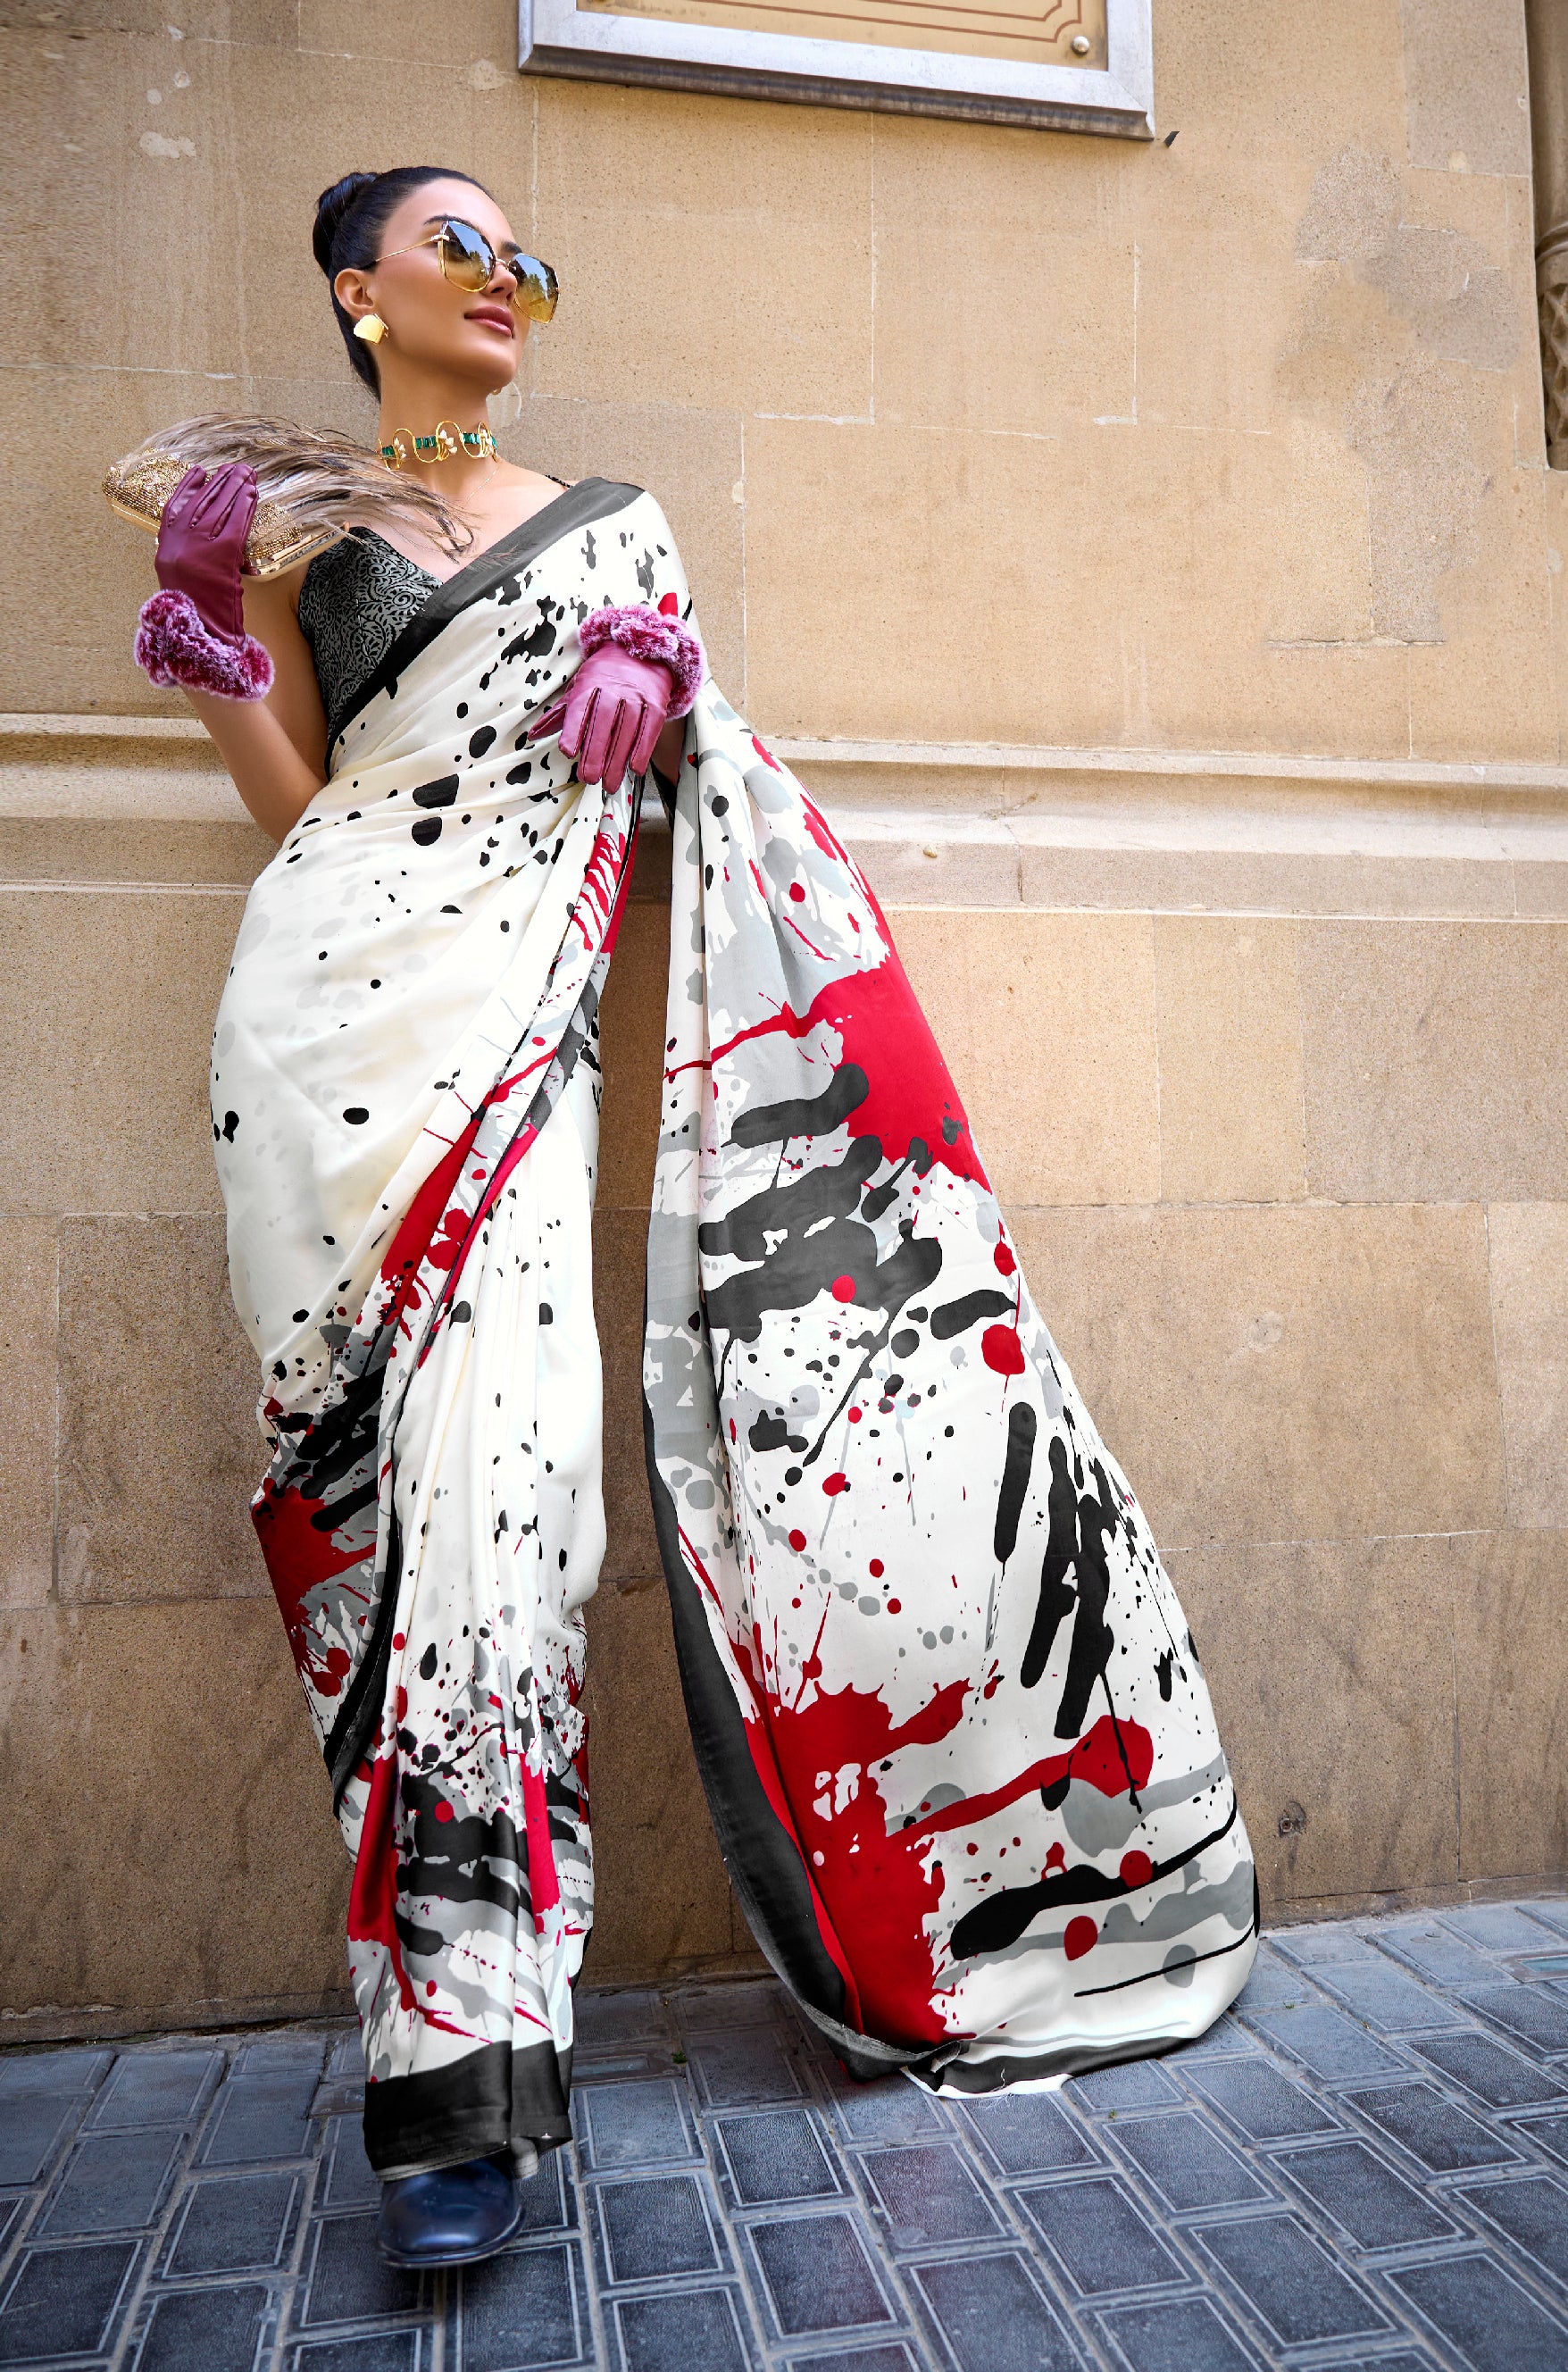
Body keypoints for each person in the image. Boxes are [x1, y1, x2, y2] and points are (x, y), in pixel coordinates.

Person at [131, 163, 1258, 2271]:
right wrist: (210, 653)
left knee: (516, 1494)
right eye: (456, 246)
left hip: (514, 1078)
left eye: (524, 254)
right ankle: (445, 2064)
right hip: (319, 1055)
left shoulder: (614, 531)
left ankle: (465, 2050)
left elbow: (685, 803)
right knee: (380, 1534)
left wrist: (664, 728)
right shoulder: (313, 532)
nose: (502, 281)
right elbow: (316, 820)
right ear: (358, 289)